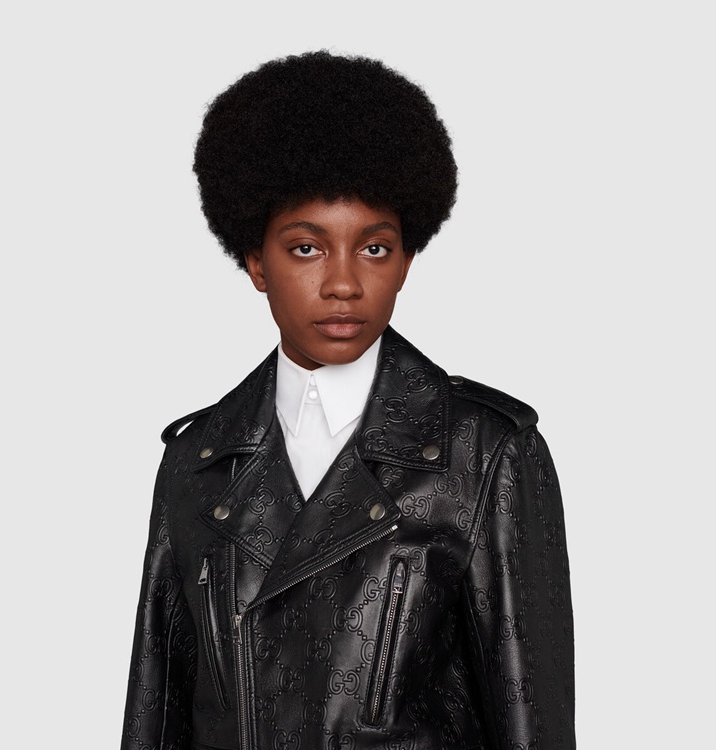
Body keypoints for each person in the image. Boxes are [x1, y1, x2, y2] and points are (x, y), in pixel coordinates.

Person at [121, 51, 575, 750]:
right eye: (306, 249)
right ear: (255, 261)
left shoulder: (484, 454)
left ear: (407, 260)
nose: (343, 283)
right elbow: (155, 718)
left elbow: (532, 722)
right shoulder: (196, 463)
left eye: (375, 248)